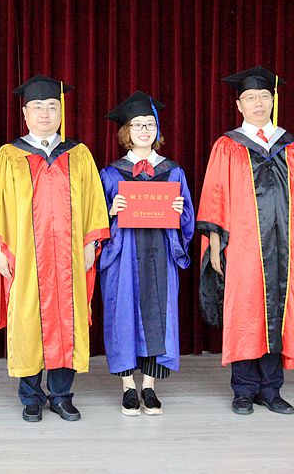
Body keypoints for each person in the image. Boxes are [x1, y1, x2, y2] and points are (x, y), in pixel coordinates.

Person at [196, 66, 294, 415]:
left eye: (264, 96)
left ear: (273, 101)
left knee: (279, 313)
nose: (258, 103)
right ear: (239, 105)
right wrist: (215, 245)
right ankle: (243, 389)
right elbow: (215, 196)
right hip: (243, 247)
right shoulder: (228, 146)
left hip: (285, 248)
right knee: (245, 314)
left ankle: (271, 389)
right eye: (251, 98)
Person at [0, 74, 110, 422]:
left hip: (70, 257)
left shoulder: (79, 155)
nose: (45, 113)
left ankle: (62, 395)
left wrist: (91, 242)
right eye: (37, 107)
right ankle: (30, 396)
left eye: (52, 106)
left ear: (61, 112)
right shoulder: (9, 155)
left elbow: (94, 201)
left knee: (67, 319)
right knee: (27, 320)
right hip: (26, 255)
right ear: (25, 113)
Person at [98, 91, 194, 416]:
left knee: (158, 313)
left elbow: (188, 219)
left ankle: (150, 387)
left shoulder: (173, 172)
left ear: (157, 129)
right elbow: (93, 220)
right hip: (123, 256)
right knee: (122, 314)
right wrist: (111, 211)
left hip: (160, 254)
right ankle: (128, 388)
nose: (144, 130)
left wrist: (179, 212)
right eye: (137, 124)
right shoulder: (111, 174)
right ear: (126, 130)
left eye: (149, 124)